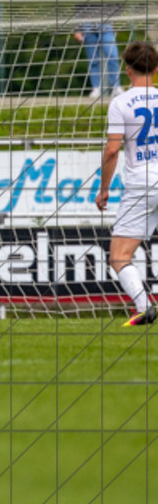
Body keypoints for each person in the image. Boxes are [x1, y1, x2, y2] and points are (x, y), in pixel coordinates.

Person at [95, 41, 158, 327]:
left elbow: (112, 150)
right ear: (156, 70)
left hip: (141, 183)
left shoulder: (120, 103)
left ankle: (145, 307)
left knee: (120, 256)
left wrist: (104, 188)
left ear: (127, 69)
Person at [74, 0, 124, 99]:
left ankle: (116, 87)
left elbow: (120, 5)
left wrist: (110, 17)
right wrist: (77, 30)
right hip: (88, 26)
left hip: (106, 25)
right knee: (93, 59)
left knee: (112, 55)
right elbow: (78, 11)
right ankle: (96, 88)